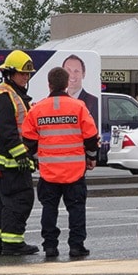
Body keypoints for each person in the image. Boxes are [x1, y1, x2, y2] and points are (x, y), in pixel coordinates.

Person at [22, 67, 100, 258]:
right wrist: (90, 158)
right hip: (75, 171)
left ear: (49, 84)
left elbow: (28, 140)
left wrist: (39, 159)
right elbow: (91, 137)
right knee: (76, 209)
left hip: (49, 172)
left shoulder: (37, 109)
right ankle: (76, 246)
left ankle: (50, 246)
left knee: (49, 209)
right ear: (67, 84)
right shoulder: (79, 107)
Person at [0, 50, 39, 256]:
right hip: (11, 162)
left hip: (8, 162)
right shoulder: (4, 96)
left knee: (4, 201)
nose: (26, 77)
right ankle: (13, 243)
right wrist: (21, 156)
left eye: (28, 74)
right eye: (22, 73)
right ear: (9, 73)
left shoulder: (15, 94)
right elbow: (7, 131)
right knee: (20, 200)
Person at [62, 54, 99, 126]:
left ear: (83, 74)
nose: (72, 75)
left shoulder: (94, 102)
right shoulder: (57, 102)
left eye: (76, 71)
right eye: (68, 70)